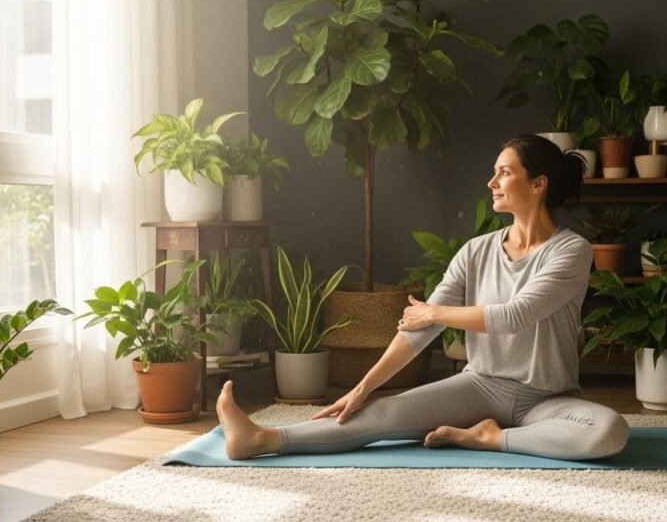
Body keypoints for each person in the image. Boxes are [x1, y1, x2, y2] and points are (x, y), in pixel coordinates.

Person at [216, 134, 629, 461]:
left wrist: (435, 313)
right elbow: (418, 329)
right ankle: (261, 438)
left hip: (548, 398)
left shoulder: (571, 250)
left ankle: (487, 438)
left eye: (504, 173)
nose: (491, 183)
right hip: (480, 387)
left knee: (607, 431)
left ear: (538, 184)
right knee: (380, 413)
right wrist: (363, 387)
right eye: (493, 173)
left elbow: (515, 315)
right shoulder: (476, 251)